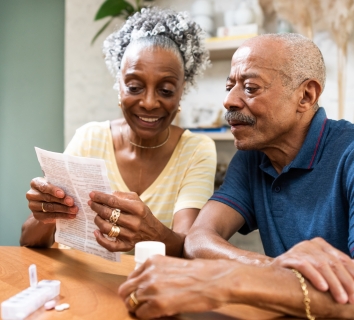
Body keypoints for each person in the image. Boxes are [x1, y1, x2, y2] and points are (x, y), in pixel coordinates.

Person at [118, 33, 354, 319]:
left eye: (250, 88)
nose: (229, 101)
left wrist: (229, 280)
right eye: (230, 87)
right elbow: (198, 239)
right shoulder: (253, 155)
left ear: (306, 96)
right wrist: (273, 269)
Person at [20, 7, 216, 257]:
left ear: (181, 92)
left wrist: (151, 231)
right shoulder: (90, 139)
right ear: (119, 85)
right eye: (134, 87)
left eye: (165, 90)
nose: (148, 102)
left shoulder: (196, 150)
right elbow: (27, 241)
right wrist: (45, 213)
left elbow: (187, 248)